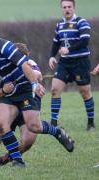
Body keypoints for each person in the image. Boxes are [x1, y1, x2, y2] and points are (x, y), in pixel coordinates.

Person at [0, 21, 74, 167]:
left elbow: (25, 66)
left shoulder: (3, 45)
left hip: (25, 90)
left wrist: (34, 83)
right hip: (8, 96)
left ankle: (57, 132)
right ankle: (15, 161)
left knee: (33, 128)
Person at [48, 0, 95, 131]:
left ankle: (91, 123)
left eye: (69, 6)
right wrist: (52, 56)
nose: (67, 9)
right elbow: (56, 42)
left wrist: (69, 49)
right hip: (64, 63)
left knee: (85, 93)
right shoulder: (60, 24)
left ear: (73, 8)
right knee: (54, 89)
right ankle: (53, 124)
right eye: (64, 7)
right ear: (61, 9)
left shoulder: (81, 22)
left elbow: (84, 41)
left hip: (80, 62)